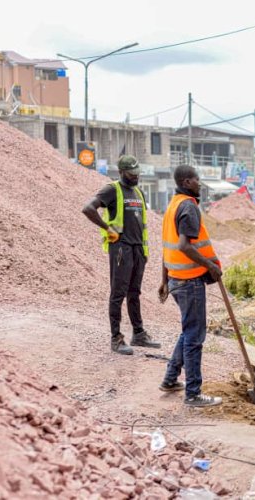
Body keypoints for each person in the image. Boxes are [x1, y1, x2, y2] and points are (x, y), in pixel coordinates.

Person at [157, 165, 223, 407]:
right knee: (194, 336)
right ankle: (193, 393)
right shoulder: (187, 207)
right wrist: (211, 266)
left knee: (188, 330)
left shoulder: (173, 205)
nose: (200, 183)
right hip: (189, 282)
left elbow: (167, 247)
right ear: (186, 182)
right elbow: (184, 246)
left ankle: (170, 379)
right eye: (196, 179)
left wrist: (164, 280)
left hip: (176, 278)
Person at [82, 155, 160, 355]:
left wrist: (144, 251)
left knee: (134, 293)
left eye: (137, 174)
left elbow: (141, 224)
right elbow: (88, 209)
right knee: (118, 293)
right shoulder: (112, 190)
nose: (136, 177)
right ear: (122, 172)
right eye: (132, 174)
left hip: (137, 250)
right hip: (121, 249)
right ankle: (116, 338)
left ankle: (139, 333)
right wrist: (107, 228)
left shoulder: (139, 192)